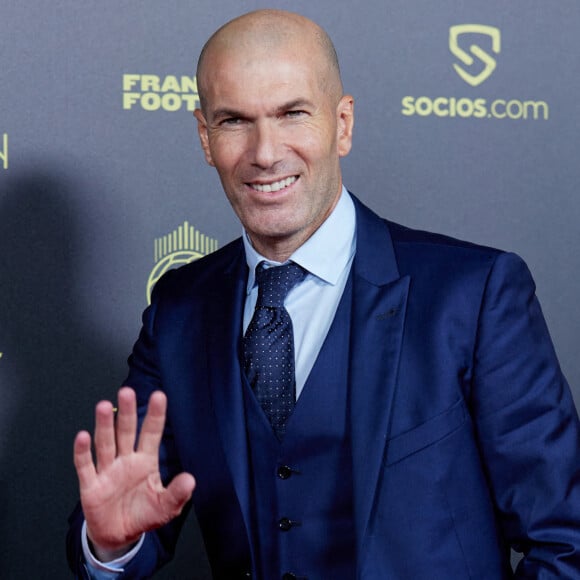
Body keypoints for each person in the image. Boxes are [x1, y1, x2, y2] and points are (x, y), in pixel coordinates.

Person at [67, 9, 580, 579]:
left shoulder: (474, 295)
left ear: (342, 124)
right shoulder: (179, 311)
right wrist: (111, 546)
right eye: (235, 120)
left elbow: (565, 539)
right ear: (205, 137)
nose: (265, 152)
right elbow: (132, 515)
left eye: (292, 114)